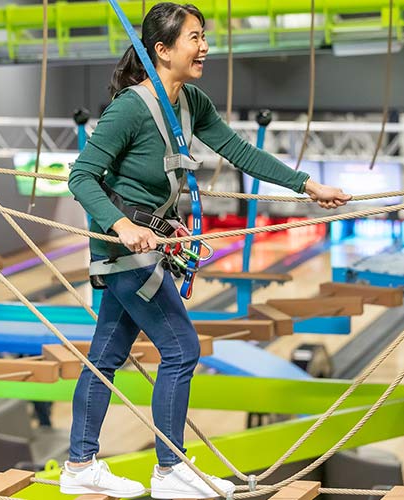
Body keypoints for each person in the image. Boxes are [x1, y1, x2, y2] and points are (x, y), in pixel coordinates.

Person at [60, 3, 351, 498]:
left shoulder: (191, 101)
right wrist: (122, 224)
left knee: (104, 358)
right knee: (182, 349)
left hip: (152, 247)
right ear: (162, 49)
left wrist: (306, 185)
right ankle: (170, 471)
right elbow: (80, 177)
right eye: (194, 38)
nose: (205, 47)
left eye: (203, 36)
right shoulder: (130, 109)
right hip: (127, 249)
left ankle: (79, 465)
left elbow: (241, 153)